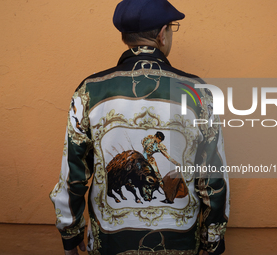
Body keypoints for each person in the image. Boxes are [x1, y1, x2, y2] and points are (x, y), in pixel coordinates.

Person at [50, 0, 230, 254]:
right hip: (179, 241)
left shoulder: (89, 91)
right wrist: (212, 239)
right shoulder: (198, 94)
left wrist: (70, 232)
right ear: (162, 35)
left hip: (111, 241)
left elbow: (73, 175)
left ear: (126, 38)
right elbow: (214, 177)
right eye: (171, 28)